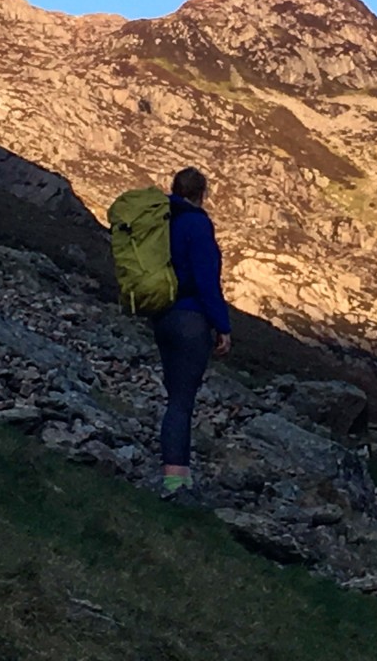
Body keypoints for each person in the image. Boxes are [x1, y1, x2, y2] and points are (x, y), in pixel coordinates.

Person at [153, 166, 231, 501]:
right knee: (182, 402)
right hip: (191, 320)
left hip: (162, 316)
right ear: (202, 193)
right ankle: (175, 482)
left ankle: (177, 473)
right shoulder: (197, 224)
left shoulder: (159, 221)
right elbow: (206, 280)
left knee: (175, 395)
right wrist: (223, 327)